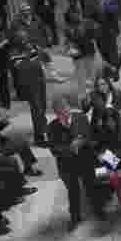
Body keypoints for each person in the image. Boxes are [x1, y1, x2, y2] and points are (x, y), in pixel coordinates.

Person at [47, 94, 103, 230]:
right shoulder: (52, 127)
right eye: (60, 111)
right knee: (73, 192)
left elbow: (90, 136)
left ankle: (98, 210)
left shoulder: (81, 118)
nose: (64, 113)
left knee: (91, 186)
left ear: (69, 107)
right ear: (56, 113)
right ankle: (75, 217)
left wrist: (82, 141)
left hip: (85, 160)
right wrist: (70, 148)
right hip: (68, 165)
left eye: (65, 108)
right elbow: (54, 149)